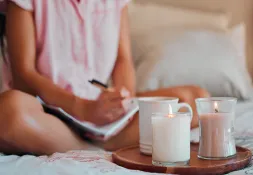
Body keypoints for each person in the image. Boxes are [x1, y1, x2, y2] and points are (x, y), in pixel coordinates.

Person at [0, 0, 209, 155]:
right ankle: (84, 147)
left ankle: (93, 141)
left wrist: (123, 100)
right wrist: (81, 108)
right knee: (8, 111)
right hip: (48, 110)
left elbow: (123, 59)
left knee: (195, 99)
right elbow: (23, 75)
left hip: (100, 110)